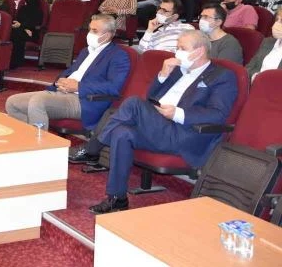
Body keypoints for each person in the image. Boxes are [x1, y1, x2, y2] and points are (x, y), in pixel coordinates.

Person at [85, 30, 237, 214]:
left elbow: (218, 114)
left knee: (133, 103)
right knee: (121, 133)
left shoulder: (222, 76)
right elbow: (151, 97)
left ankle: (93, 147)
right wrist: (163, 75)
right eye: (177, 47)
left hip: (183, 132)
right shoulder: (178, 70)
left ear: (199, 51)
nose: (177, 52)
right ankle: (117, 198)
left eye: (182, 48)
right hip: (158, 125)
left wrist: (178, 113)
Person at [5, 14, 130, 131]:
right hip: (63, 92)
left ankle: (39, 144)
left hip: (84, 100)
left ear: (107, 36)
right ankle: (31, 137)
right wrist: (61, 81)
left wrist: (78, 86)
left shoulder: (118, 55)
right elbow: (71, 71)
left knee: (38, 101)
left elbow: (113, 87)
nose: (90, 33)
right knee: (12, 102)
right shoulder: (86, 51)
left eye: (94, 31)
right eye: (90, 29)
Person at [246, 7, 282, 82]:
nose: (277, 24)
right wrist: (255, 77)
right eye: (276, 20)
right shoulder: (267, 42)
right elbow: (248, 68)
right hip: (254, 85)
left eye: (281, 21)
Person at [10, 0, 42, 69]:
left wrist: (22, 26)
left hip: (33, 33)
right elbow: (18, 21)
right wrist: (23, 28)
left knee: (17, 33)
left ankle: (16, 62)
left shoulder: (38, 11)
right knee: (14, 32)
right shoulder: (22, 8)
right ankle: (12, 60)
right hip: (23, 30)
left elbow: (35, 24)